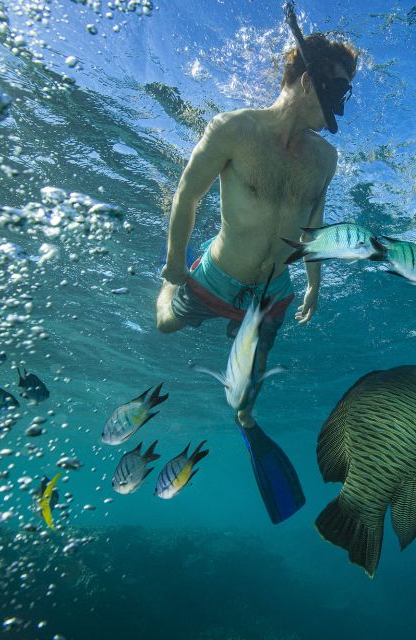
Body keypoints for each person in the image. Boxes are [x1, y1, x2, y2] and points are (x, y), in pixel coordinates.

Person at [154, 26, 357, 523]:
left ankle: (246, 416)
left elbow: (315, 224)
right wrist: (175, 264)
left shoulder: (325, 158)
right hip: (219, 276)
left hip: (274, 290)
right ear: (307, 79)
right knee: (165, 324)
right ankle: (169, 293)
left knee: (246, 396)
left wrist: (313, 283)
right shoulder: (234, 129)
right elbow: (187, 195)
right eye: (339, 86)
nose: (344, 101)